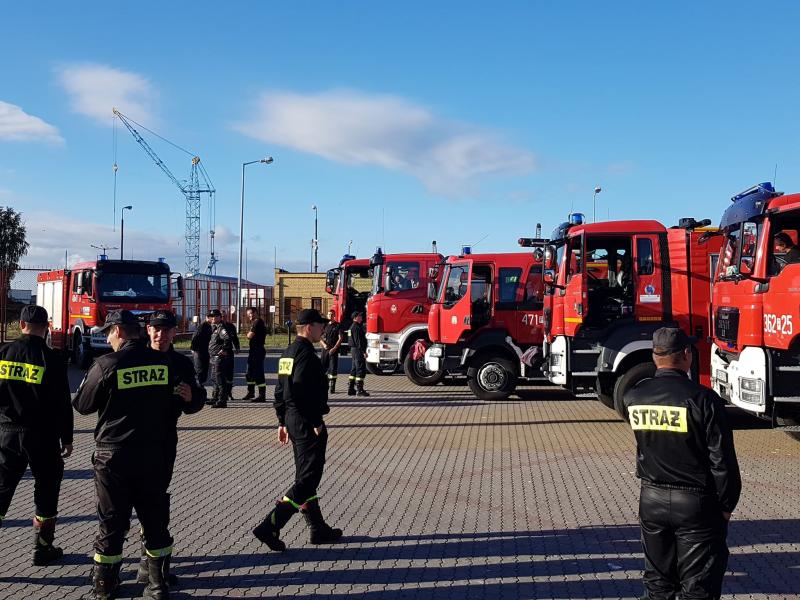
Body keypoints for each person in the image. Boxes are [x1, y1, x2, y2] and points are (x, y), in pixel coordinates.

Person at [623, 327, 741, 600]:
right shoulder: (704, 400)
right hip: (696, 504)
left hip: (651, 500)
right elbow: (722, 461)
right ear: (686, 355)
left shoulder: (635, 397)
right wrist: (726, 506)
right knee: (698, 588)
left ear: (655, 357)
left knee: (658, 586)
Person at [73, 310, 179, 599]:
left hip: (113, 457)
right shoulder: (163, 362)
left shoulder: (107, 363)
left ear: (118, 331)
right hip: (154, 455)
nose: (107, 338)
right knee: (155, 521)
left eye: (108, 332)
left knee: (112, 522)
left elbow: (82, 405)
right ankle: (158, 587)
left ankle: (104, 587)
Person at [253, 309, 342, 551]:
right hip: (305, 421)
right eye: (320, 325)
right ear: (309, 327)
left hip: (292, 419)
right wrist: (315, 421)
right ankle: (270, 525)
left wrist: (281, 421)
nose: (323, 329)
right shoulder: (305, 354)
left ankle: (317, 527)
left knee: (305, 474)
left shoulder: (288, 353)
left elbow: (280, 391)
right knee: (308, 477)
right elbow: (300, 390)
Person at [0, 305, 73, 566]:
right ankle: (42, 549)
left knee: (1, 490)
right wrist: (67, 438)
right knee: (47, 489)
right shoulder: (52, 360)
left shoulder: (3, 354)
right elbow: (63, 403)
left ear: (21, 325)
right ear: (46, 328)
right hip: (42, 437)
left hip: (7, 435)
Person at [137, 310, 206, 586]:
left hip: (164, 439)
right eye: (156, 329)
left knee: (156, 500)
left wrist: (193, 399)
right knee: (126, 505)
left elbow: (197, 397)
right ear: (147, 330)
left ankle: (149, 564)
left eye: (166, 330)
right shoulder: (134, 359)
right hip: (132, 441)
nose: (160, 335)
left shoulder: (180, 363)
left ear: (174, 333)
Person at [208, 309, 236, 409]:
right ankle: (215, 397)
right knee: (214, 378)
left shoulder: (221, 328)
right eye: (211, 316)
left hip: (218, 358)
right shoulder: (214, 327)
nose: (213, 318)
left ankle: (222, 400)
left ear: (220, 317)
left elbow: (227, 339)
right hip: (213, 357)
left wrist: (224, 349)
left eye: (215, 316)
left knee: (220, 380)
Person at [242, 307, 268, 402]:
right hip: (253, 350)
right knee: (249, 373)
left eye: (251, 313)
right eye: (248, 314)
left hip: (258, 351)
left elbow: (250, 335)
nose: (250, 316)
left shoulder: (257, 322)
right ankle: (251, 392)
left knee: (258, 373)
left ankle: (262, 395)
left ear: (256, 313)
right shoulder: (254, 322)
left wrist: (247, 334)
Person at [319, 310, 344, 394]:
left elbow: (340, 338)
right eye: (329, 314)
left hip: (333, 350)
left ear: (334, 316)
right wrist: (323, 344)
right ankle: (323, 385)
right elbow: (319, 336)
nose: (330, 316)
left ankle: (332, 387)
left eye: (332, 314)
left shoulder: (337, 325)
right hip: (325, 350)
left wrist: (335, 348)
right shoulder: (324, 325)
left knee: (333, 369)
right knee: (323, 368)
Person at [348, 311, 369, 397]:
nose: (361, 317)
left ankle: (351, 389)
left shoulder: (351, 327)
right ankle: (360, 390)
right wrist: (363, 352)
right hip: (358, 350)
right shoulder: (356, 327)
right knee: (360, 369)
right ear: (355, 317)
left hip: (353, 350)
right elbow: (358, 341)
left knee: (354, 369)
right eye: (359, 316)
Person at [190, 312, 213, 386]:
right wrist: (193, 349)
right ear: (207, 317)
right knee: (199, 371)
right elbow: (195, 337)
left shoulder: (210, 326)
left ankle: (202, 386)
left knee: (205, 371)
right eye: (210, 317)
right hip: (199, 351)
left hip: (206, 351)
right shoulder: (202, 326)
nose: (212, 318)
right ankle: (198, 388)